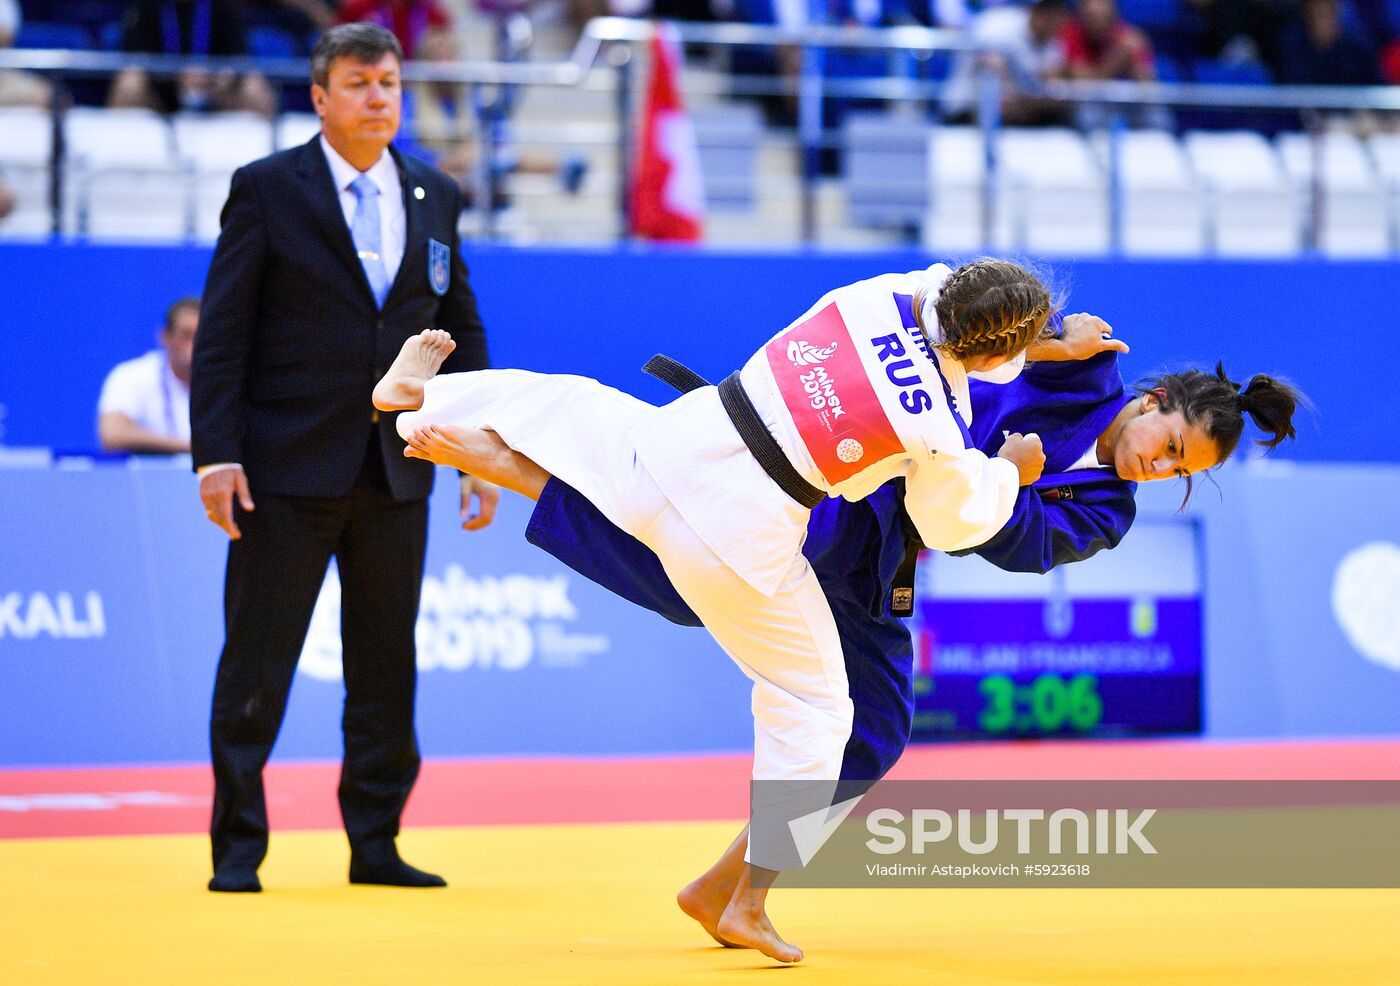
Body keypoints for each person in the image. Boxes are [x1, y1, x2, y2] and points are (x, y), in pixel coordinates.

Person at [401, 310, 1303, 961]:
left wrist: (1006, 475)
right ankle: (516, 466)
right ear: (1151, 400)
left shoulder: (1106, 511)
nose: (1160, 463)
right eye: (1171, 439)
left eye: (1181, 468)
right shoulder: (1086, 374)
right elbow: (978, 327)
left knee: (874, 735)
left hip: (885, 559)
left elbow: (1008, 543)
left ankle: (735, 889)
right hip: (840, 487)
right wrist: (1046, 337)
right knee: (692, 580)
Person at [374, 258, 1052, 958]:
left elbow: (941, 282)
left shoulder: (876, 297)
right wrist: (1009, 471)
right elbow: (945, 524)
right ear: (998, 353)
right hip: (733, 533)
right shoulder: (940, 424)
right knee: (820, 715)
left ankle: (433, 397)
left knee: (568, 403)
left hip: (677, 444)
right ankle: (747, 904)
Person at [190, 22, 495, 894]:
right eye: (360, 83)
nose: (380, 97)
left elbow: (462, 330)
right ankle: (238, 848)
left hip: (399, 469)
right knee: (257, 661)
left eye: (391, 82)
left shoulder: (435, 193)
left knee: (385, 664)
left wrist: (480, 454)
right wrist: (217, 454)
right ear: (320, 97)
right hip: (284, 469)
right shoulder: (266, 190)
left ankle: (376, 843)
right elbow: (222, 337)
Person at [109, 0, 277, 117]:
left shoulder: (223, 7)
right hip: (161, 92)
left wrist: (226, 78)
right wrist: (175, 81)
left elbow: (240, 57)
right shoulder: (146, 7)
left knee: (254, 87)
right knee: (129, 83)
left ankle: (264, 158)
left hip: (214, 90)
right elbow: (134, 57)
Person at [941, 0, 1073, 126]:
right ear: (1032, 9)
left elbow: (1052, 86)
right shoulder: (998, 24)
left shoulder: (1054, 43)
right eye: (1046, 11)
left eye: (1056, 12)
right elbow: (988, 68)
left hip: (1018, 117)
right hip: (965, 111)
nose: (1050, 18)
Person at [98, 297, 200, 454]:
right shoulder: (132, 376)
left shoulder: (227, 380)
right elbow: (112, 434)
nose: (194, 345)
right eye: (186, 335)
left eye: (200, 336)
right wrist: (191, 447)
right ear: (166, 337)